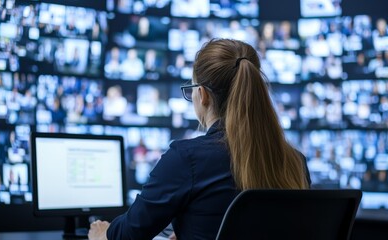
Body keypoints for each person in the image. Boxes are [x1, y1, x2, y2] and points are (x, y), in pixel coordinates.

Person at [88, 39, 311, 240]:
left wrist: (101, 234)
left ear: (202, 94)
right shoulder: (295, 161)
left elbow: (129, 234)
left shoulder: (187, 158)